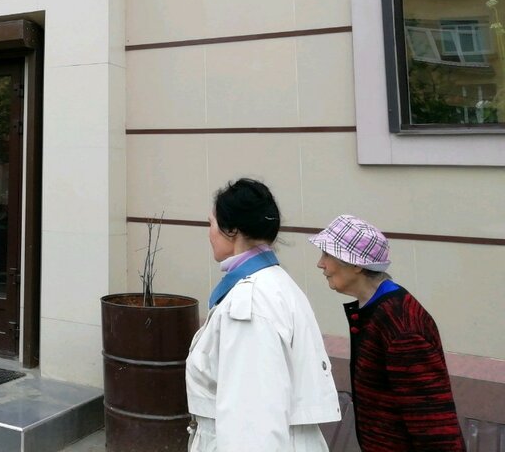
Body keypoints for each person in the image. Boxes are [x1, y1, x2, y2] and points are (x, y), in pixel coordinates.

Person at [186, 178, 341, 451]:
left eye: (211, 223)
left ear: (231, 229)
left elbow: (251, 427)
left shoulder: (251, 303)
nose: (209, 234)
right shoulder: (275, 283)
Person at [309, 215, 465, 451]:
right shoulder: (376, 309)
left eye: (327, 254)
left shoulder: (401, 327)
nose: (321, 264)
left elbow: (434, 426)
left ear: (356, 264)